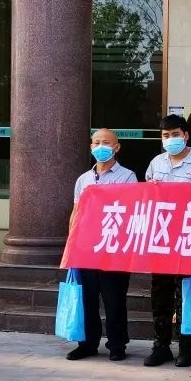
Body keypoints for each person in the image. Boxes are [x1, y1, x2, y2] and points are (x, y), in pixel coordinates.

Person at [143, 114, 191, 368]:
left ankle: (186, 346)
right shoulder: (156, 163)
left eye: (175, 135)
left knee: (186, 292)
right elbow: (147, 197)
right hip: (161, 238)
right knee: (160, 291)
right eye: (166, 136)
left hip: (188, 238)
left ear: (185, 135)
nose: (170, 139)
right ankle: (161, 344)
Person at [66, 128, 138, 362]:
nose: (100, 147)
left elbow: (130, 211)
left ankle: (117, 344)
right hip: (86, 248)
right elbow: (76, 212)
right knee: (87, 298)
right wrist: (71, 243)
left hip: (114, 249)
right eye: (96, 142)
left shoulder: (128, 177)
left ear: (116, 147)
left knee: (114, 299)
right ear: (90, 146)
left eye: (106, 142)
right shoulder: (83, 179)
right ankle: (87, 343)